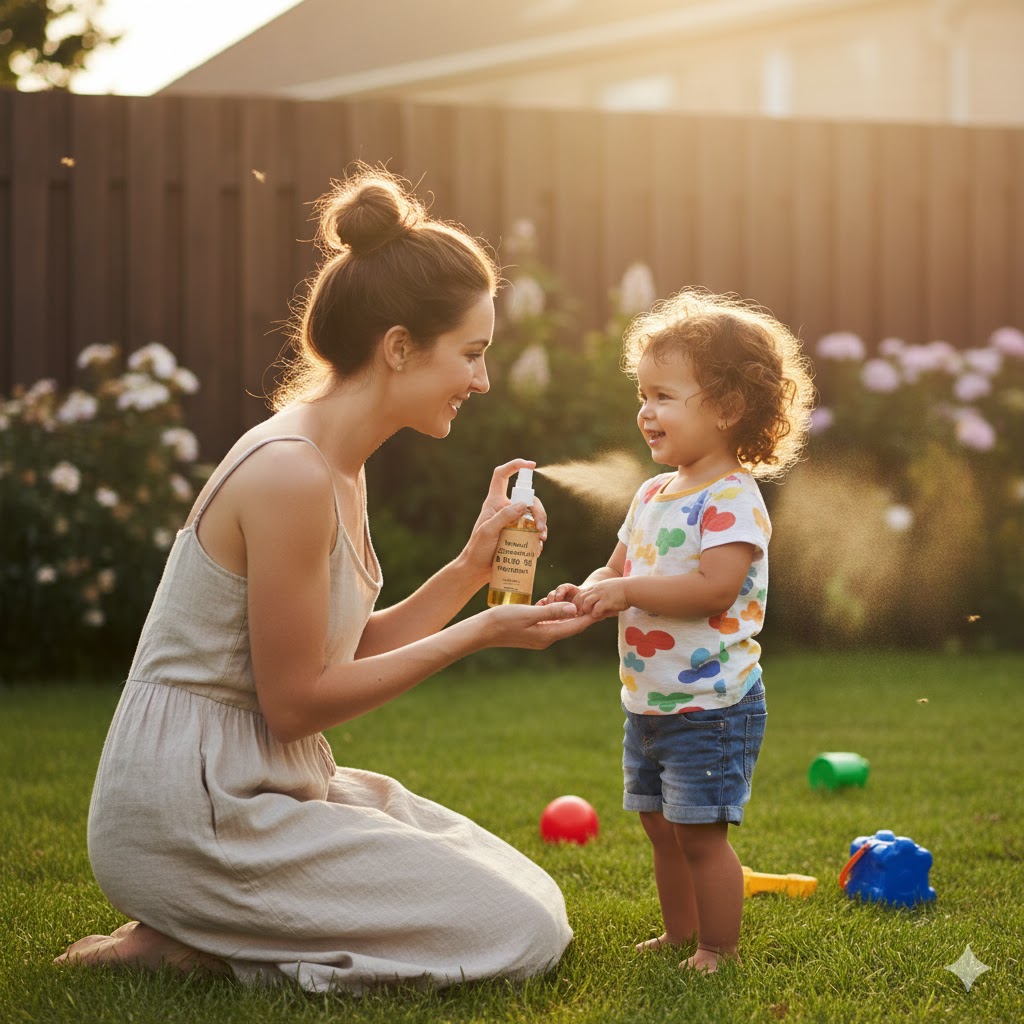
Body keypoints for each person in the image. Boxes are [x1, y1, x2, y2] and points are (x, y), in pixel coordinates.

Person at [54, 166, 593, 992]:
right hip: (196, 811)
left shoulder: (338, 463)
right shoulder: (292, 473)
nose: (482, 381)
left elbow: (335, 648)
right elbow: (297, 700)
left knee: (534, 896)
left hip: (273, 781)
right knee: (516, 931)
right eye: (472, 354)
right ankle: (198, 934)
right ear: (400, 347)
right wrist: (478, 632)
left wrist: (466, 570)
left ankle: (204, 932)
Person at [540, 288, 814, 973]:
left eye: (664, 395)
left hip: (713, 707)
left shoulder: (732, 499)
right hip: (652, 703)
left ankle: (717, 946)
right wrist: (589, 592)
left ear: (726, 408)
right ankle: (677, 933)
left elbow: (712, 590)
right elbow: (618, 566)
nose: (645, 410)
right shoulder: (652, 495)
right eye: (643, 394)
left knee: (700, 837)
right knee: (661, 830)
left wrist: (626, 590)